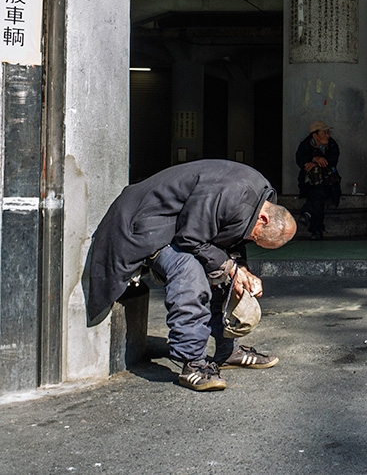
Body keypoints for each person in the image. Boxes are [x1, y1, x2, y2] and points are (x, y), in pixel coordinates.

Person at [86, 160, 296, 392]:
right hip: (144, 224)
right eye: (257, 239)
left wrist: (241, 270)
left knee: (224, 267)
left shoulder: (259, 199)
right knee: (189, 271)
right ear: (264, 218)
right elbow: (190, 239)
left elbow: (231, 240)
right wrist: (231, 268)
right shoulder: (230, 194)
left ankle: (227, 352)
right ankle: (193, 364)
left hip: (180, 227)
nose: (252, 241)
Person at [295, 120, 342, 240]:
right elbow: (300, 160)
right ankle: (316, 228)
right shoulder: (305, 145)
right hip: (310, 183)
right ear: (315, 135)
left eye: (328, 133)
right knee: (316, 197)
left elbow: (332, 160)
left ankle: (308, 213)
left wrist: (316, 163)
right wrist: (312, 159)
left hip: (329, 183)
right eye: (324, 133)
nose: (328, 135)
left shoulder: (332, 145)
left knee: (317, 195)